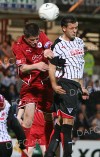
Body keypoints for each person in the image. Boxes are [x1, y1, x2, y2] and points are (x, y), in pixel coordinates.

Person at [45, 15, 89, 157]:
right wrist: (53, 85)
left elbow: (79, 67)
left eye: (76, 27)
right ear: (64, 28)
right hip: (65, 84)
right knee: (68, 125)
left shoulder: (80, 42)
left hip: (74, 86)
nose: (75, 31)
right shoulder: (58, 45)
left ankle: (50, 153)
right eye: (72, 28)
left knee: (60, 124)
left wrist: (81, 87)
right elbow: (51, 67)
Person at [12, 22, 54, 156]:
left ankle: (49, 152)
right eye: (32, 40)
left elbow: (49, 46)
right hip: (30, 84)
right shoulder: (18, 46)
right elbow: (22, 67)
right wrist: (37, 65)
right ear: (25, 37)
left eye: (37, 39)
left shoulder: (41, 35)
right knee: (29, 118)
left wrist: (49, 49)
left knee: (49, 117)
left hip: (46, 82)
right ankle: (24, 154)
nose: (36, 42)